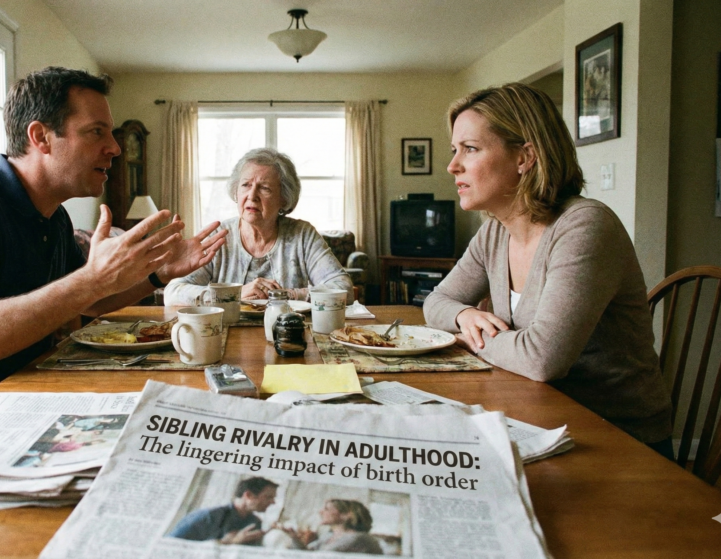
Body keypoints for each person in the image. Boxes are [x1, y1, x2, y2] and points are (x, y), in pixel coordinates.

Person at [0, 67, 228, 436]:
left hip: (14, 402)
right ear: (41, 136)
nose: (115, 148)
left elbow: (91, 301)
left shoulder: (53, 215)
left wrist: (159, 273)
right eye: (96, 132)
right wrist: (91, 280)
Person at [422, 83, 673, 457]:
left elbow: (541, 360)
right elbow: (436, 302)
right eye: (454, 150)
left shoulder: (585, 226)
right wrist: (464, 315)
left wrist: (469, 340)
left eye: (470, 149)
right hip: (534, 418)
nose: (452, 165)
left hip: (615, 439)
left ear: (525, 157)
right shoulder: (495, 230)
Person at [164, 148, 353, 305]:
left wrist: (288, 295)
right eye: (245, 185)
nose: (252, 196)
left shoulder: (302, 235)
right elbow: (173, 293)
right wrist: (234, 294)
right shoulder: (218, 235)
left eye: (265, 188)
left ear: (284, 198)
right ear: (236, 192)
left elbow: (344, 289)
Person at [167, 477, 278, 545]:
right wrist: (228, 542)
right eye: (268, 497)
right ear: (248, 495)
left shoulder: (255, 522)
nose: (273, 502)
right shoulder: (208, 516)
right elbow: (169, 545)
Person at [280, 499, 382, 554]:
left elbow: (317, 556)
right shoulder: (328, 536)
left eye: (327, 509)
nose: (321, 512)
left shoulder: (359, 538)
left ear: (346, 515)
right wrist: (294, 537)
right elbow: (306, 554)